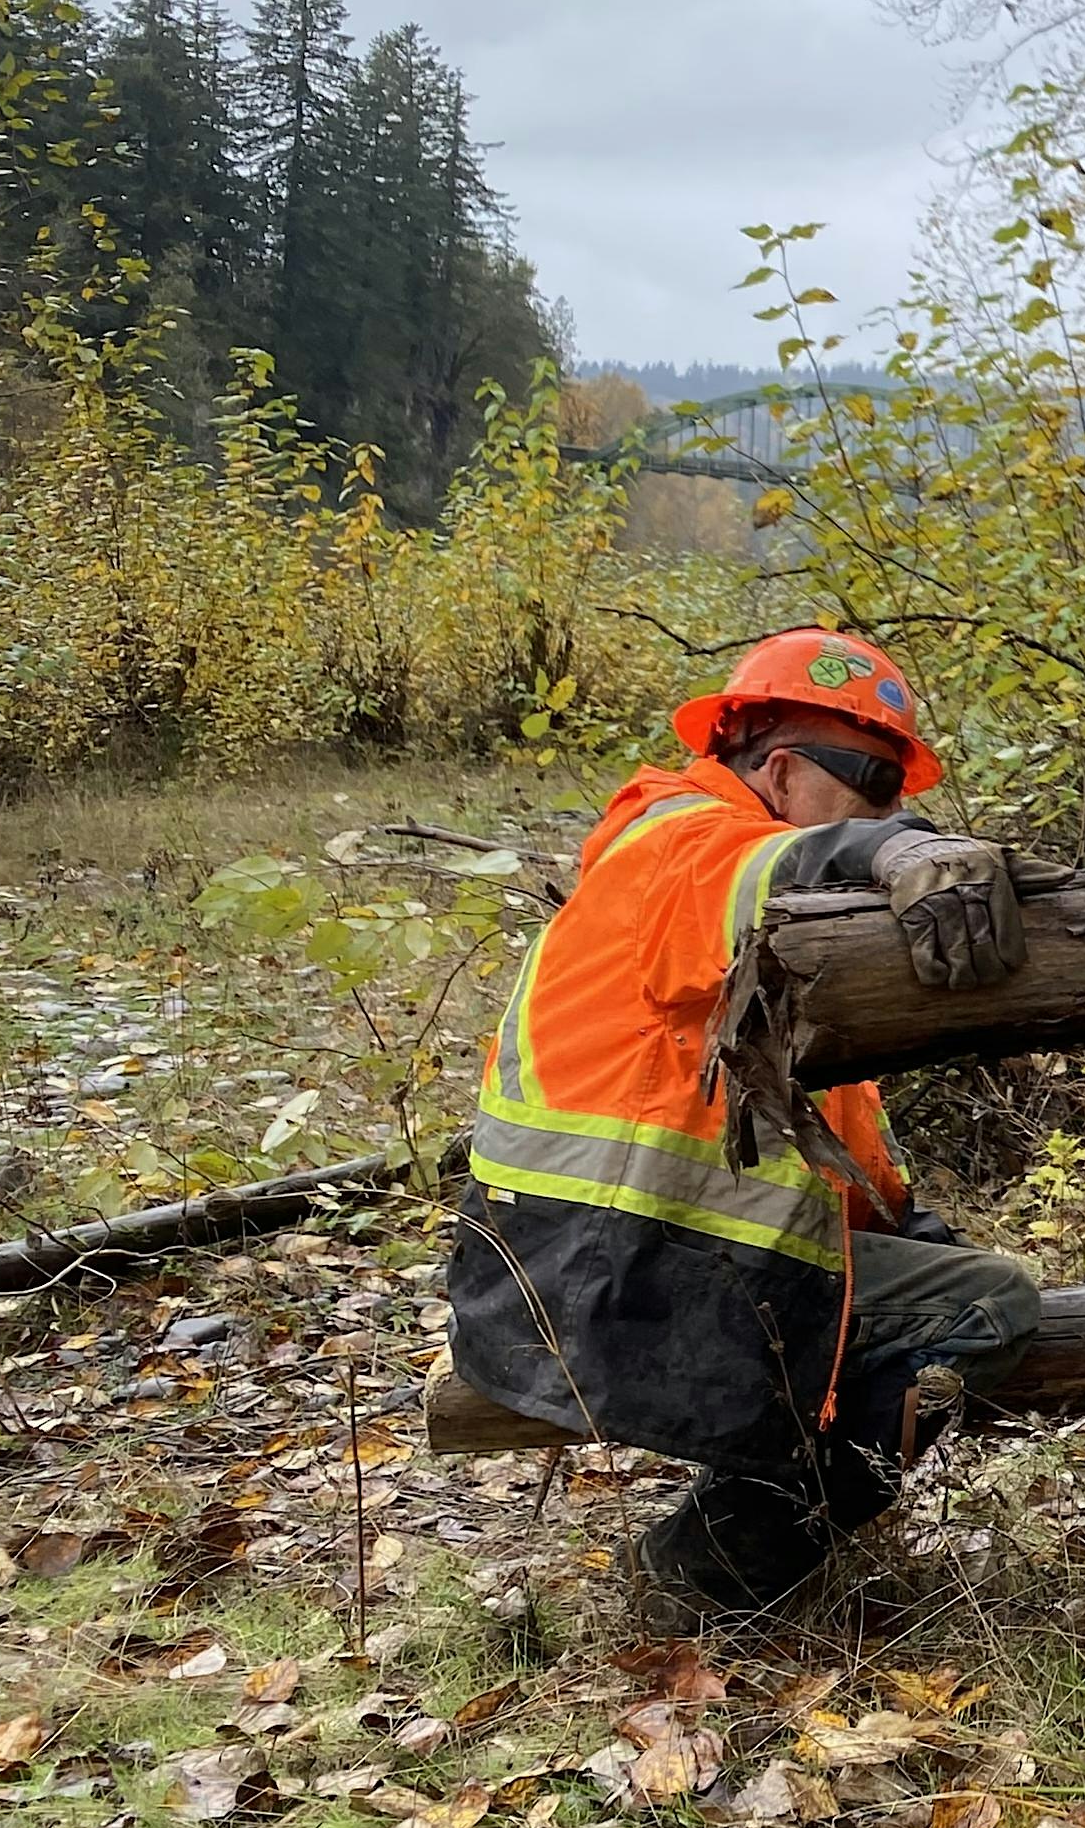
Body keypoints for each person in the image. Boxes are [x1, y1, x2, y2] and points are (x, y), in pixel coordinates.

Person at [441, 628, 1042, 1625]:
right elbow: (760, 875)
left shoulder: (785, 937)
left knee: (956, 1287)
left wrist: (911, 1236)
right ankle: (695, 1576)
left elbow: (839, 1139)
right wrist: (883, 849)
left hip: (616, 1264)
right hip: (599, 1276)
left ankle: (717, 1555)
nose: (890, 808)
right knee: (991, 1306)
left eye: (900, 795)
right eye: (873, 784)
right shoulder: (676, 843)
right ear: (782, 767)